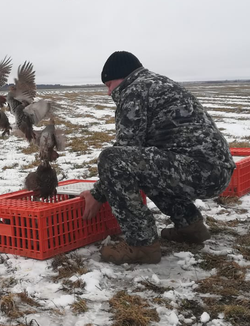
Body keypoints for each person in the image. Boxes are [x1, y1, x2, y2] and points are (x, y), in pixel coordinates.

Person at [79, 51, 236, 265]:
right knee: (149, 163)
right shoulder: (158, 83)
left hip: (197, 170)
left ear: (122, 77)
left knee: (112, 159)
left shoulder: (134, 90)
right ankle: (191, 228)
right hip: (215, 171)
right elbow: (141, 156)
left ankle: (141, 245)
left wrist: (96, 195)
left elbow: (124, 151)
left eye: (109, 85)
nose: (108, 93)